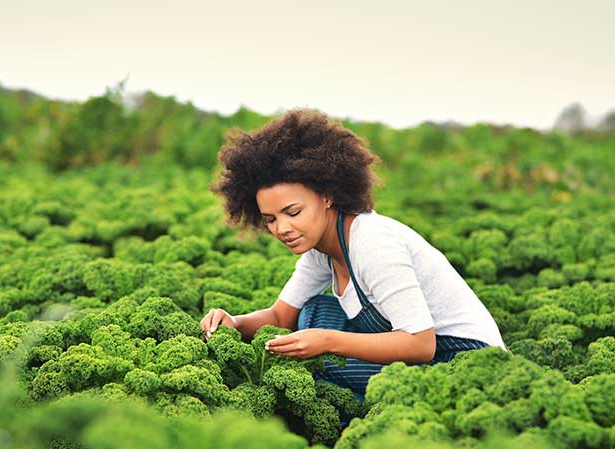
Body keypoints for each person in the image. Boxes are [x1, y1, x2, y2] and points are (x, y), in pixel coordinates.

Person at [201, 109, 507, 424]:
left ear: (327, 197)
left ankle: (371, 417)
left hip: (463, 361)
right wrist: (234, 324)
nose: (282, 228)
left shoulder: (372, 243)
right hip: (423, 351)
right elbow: (281, 316)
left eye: (293, 211)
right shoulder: (323, 247)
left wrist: (327, 341)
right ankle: (362, 407)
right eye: (271, 219)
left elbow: (420, 343)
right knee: (315, 312)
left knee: (316, 354)